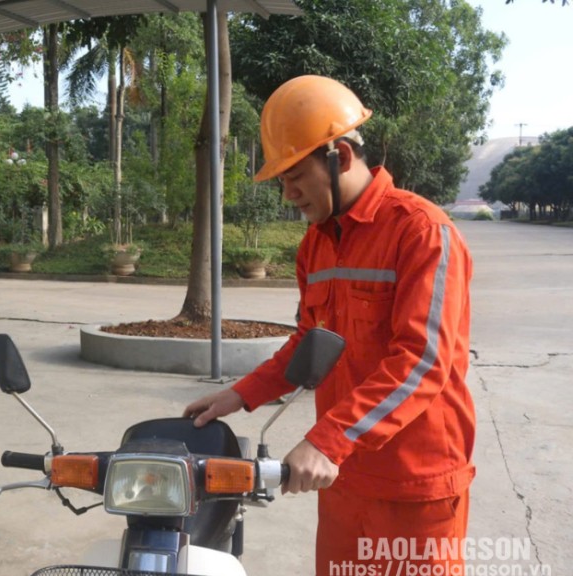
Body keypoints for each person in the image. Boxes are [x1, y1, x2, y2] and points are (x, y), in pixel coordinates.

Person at [184, 75, 475, 575]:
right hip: (341, 480)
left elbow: (422, 362)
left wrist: (326, 441)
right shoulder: (315, 245)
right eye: (281, 181)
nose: (288, 194)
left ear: (339, 157)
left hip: (415, 486)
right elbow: (309, 343)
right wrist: (242, 393)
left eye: (295, 176)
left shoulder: (422, 232)